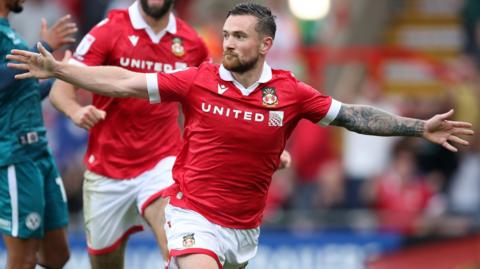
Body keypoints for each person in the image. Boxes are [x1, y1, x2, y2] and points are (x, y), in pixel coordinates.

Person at [7, 3, 474, 269]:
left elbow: (351, 115)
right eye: (226, 35)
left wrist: (418, 126)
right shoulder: (198, 78)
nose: (227, 43)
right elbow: (124, 82)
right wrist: (64, 70)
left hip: (243, 230)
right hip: (191, 215)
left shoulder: (291, 92)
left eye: (239, 37)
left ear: (265, 45)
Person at [48, 0, 209, 268]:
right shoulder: (108, 30)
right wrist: (76, 111)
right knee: (105, 263)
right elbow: (59, 91)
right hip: (106, 169)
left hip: (162, 162)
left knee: (176, 240)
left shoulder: (192, 42)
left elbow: (211, 103)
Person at [0, 0, 77, 268]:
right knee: (23, 259)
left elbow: (25, 90)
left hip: (40, 153)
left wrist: (65, 74)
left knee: (58, 256)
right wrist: (41, 50)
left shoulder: (10, 33)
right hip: (14, 155)